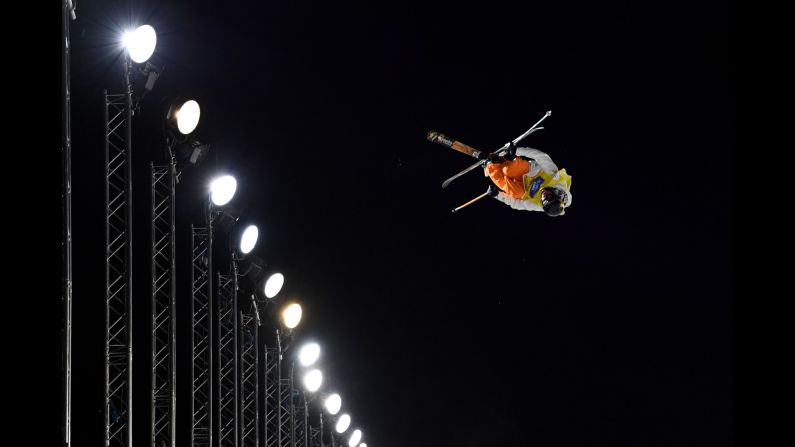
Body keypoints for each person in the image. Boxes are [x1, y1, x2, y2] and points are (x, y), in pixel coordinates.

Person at [478, 143, 572, 216]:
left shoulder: (539, 205)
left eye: (543, 200)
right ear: (556, 194)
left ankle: (490, 165)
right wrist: (517, 150)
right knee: (508, 170)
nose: (543, 196)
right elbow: (541, 156)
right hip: (529, 171)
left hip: (525, 187)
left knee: (516, 193)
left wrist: (498, 195)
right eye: (549, 197)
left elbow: (517, 204)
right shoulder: (555, 176)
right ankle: (499, 160)